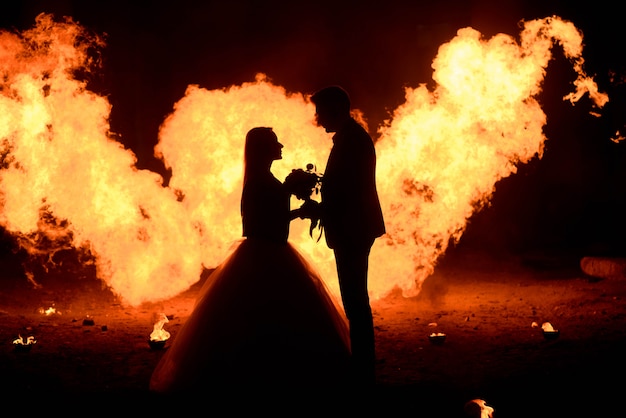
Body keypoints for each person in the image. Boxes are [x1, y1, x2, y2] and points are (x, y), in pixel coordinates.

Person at [149, 127, 351, 395]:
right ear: (263, 149)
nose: (280, 145)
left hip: (265, 252)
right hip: (266, 255)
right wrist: (289, 197)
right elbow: (264, 227)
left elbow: (269, 222)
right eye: (274, 142)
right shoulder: (260, 182)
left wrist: (295, 208)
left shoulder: (262, 180)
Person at [308, 86, 386, 386]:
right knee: (355, 299)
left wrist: (320, 206)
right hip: (353, 227)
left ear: (336, 109)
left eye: (320, 111)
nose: (318, 118)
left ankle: (363, 367)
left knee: (355, 301)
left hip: (353, 228)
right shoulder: (350, 138)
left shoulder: (352, 140)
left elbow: (347, 191)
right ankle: (362, 363)